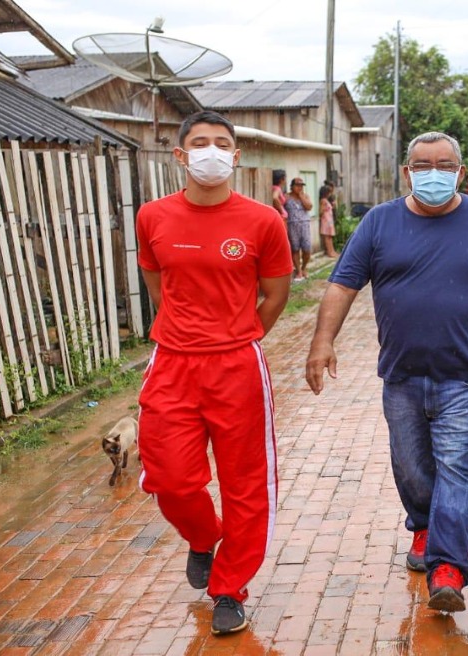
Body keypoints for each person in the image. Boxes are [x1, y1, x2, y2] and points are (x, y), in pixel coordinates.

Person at [305, 131, 468, 613]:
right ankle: (425, 527)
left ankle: (447, 566)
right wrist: (322, 341)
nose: (433, 172)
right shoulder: (379, 222)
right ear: (407, 172)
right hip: (403, 375)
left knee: (456, 466)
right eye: (422, 165)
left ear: (460, 171)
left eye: (444, 164)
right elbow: (343, 285)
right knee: (411, 469)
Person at [135, 110, 292, 636]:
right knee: (169, 477)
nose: (210, 151)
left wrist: (237, 336)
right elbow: (160, 289)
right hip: (172, 362)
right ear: (180, 155)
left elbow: (275, 296)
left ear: (235, 155)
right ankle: (204, 537)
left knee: (246, 483)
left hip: (237, 366)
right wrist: (188, 331)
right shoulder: (152, 216)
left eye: (221, 143)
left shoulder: (263, 221)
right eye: (198, 143)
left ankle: (230, 587)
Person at [286, 177, 314, 281]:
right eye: (297, 185)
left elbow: (309, 207)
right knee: (295, 249)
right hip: (292, 225)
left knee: (307, 249)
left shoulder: (305, 196)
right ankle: (298, 271)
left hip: (304, 225)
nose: (300, 187)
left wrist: (301, 196)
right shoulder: (287, 197)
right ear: (292, 186)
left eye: (301, 185)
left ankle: (304, 268)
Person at [318, 185, 338, 258]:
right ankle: (329, 252)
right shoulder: (323, 200)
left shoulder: (326, 200)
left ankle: (332, 251)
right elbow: (321, 211)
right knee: (327, 237)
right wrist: (323, 211)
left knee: (330, 236)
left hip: (329, 220)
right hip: (326, 220)